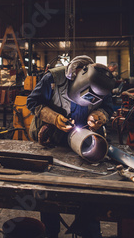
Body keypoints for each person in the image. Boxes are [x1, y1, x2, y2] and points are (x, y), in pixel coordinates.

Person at [27, 55, 115, 238]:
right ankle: (50, 232)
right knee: (49, 193)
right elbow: (32, 102)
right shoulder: (53, 78)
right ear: (76, 76)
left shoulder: (103, 84)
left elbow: (109, 108)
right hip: (52, 142)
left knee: (88, 192)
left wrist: (99, 115)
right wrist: (52, 117)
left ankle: (89, 230)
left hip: (83, 142)